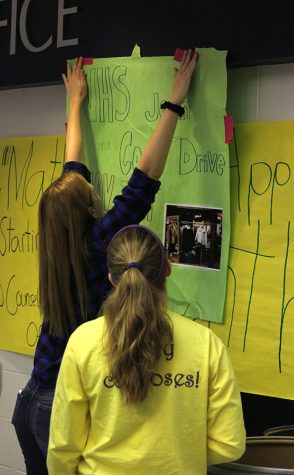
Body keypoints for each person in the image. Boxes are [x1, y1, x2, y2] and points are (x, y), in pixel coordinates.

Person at [12, 51, 198, 475]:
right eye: (90, 191)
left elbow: (72, 169)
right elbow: (144, 180)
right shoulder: (96, 245)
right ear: (88, 207)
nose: (95, 189)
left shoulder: (57, 241)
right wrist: (174, 100)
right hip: (55, 406)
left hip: (30, 400)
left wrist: (75, 103)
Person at [47, 224, 246, 475]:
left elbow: (63, 446)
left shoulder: (83, 342)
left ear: (111, 278)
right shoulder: (207, 345)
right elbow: (230, 444)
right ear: (168, 270)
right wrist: (181, 452)